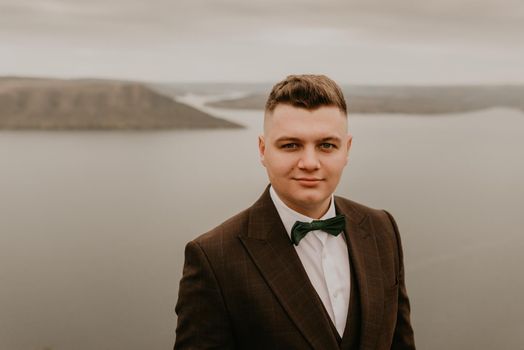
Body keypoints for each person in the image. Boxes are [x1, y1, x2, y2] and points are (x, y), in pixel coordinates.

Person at [174, 74, 415, 349]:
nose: (310, 163)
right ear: (263, 150)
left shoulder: (382, 228)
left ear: (346, 150)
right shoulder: (213, 259)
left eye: (326, 145)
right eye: (291, 145)